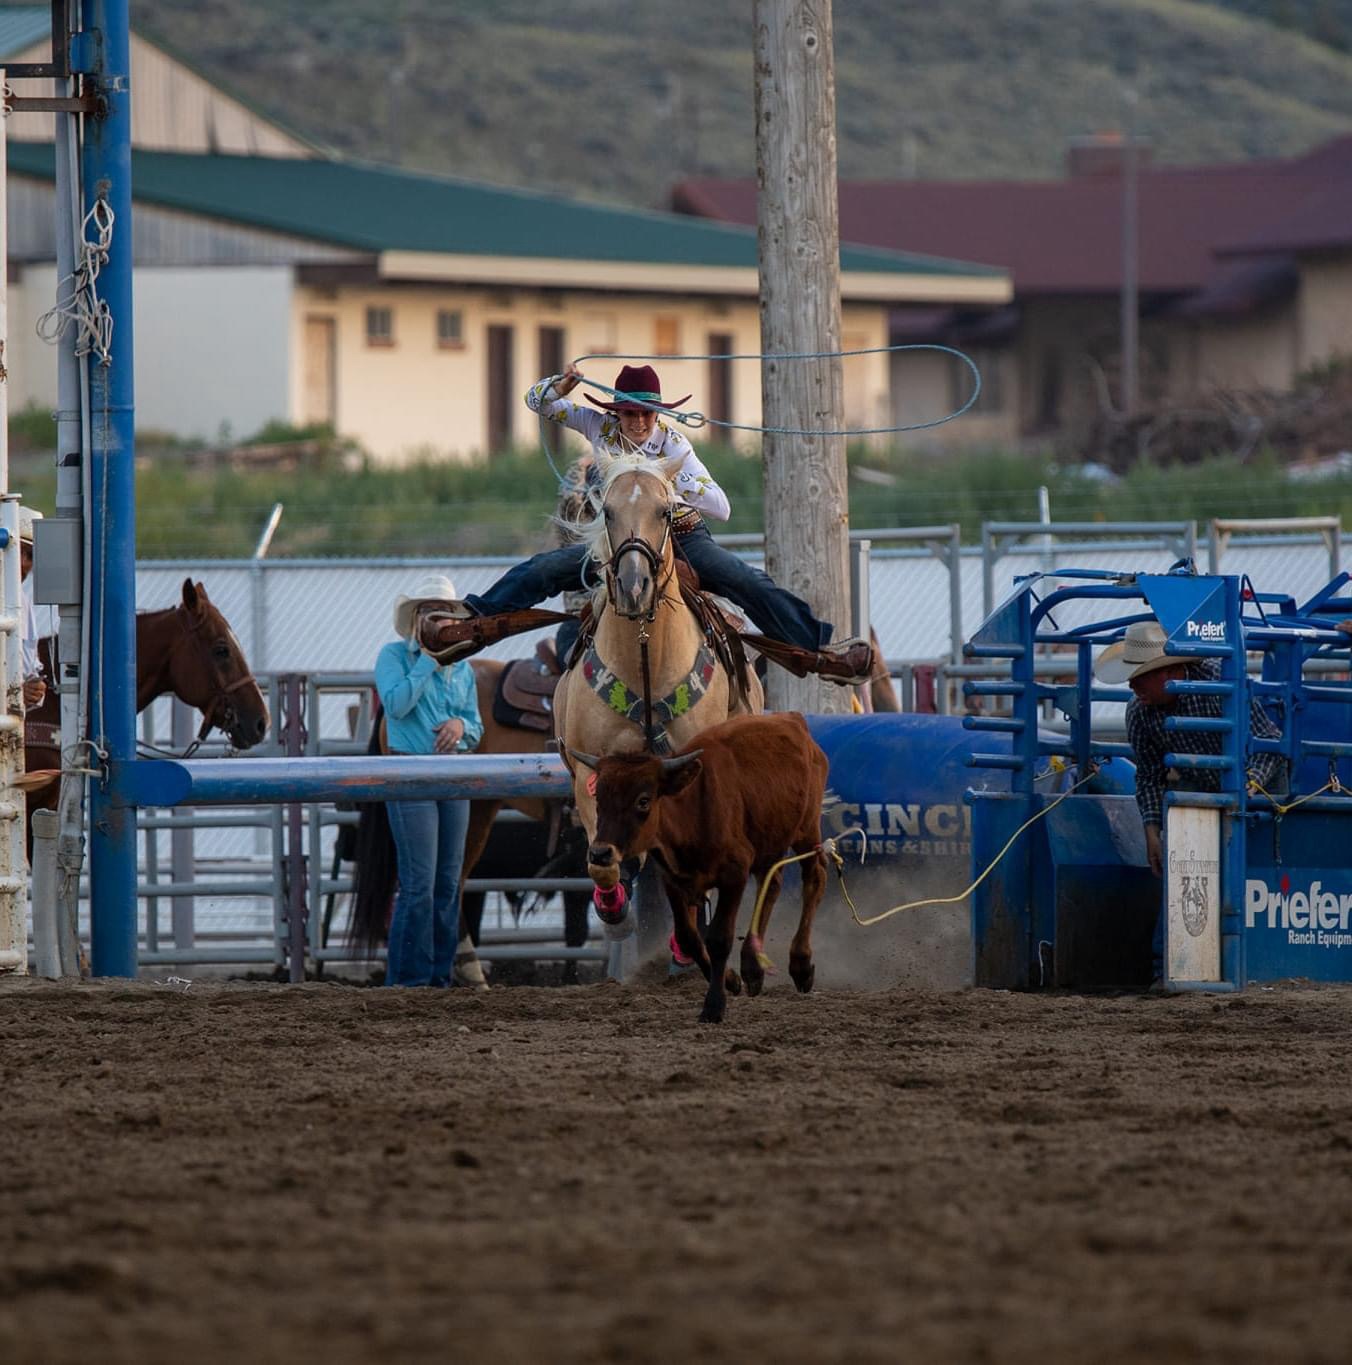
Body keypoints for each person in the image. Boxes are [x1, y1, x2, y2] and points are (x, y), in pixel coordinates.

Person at [430, 363, 874, 683]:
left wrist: (674, 480)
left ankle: (817, 647)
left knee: (745, 579)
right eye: (628, 413)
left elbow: (720, 506)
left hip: (678, 534)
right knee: (544, 569)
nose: (638, 422)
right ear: (615, 412)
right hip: (616, 536)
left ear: (658, 414)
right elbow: (537, 402)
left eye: (646, 413)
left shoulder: (675, 444)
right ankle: (473, 620)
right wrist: (559, 385)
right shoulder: (596, 425)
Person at [1095, 619, 1289, 981]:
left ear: (1170, 670)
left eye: (1141, 676)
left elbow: (1269, 742)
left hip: (1259, 796)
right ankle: (1169, 966)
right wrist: (1152, 828)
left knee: (1211, 870)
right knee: (1194, 871)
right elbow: (1149, 774)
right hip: (1206, 798)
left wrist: (1247, 787)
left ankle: (1170, 966)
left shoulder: (1218, 682)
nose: (1132, 684)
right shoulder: (1140, 712)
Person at [374, 574, 484, 987]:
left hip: (453, 776)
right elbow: (397, 707)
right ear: (417, 619)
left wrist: (460, 725)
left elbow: (475, 727)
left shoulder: (464, 670)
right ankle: (408, 981)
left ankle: (437, 979)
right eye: (430, 614)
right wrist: (427, 662)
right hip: (409, 774)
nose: (438, 622)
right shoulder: (393, 657)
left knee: (445, 883)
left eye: (443, 615)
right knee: (419, 884)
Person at [19, 506, 46, 710]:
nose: (23, 563)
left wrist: (36, 689)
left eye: (31, 555)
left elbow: (30, 669)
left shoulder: (24, 601)